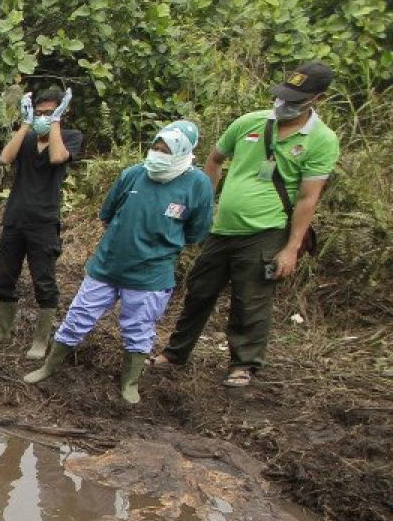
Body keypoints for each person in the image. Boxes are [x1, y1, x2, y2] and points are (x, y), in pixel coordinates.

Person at [151, 62, 340, 387]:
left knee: (250, 300)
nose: (285, 103)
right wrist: (204, 206)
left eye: (296, 99)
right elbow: (214, 159)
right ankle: (175, 353)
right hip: (223, 228)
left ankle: (243, 364)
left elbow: (309, 199)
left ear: (318, 99)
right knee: (199, 290)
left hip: (266, 232)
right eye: (284, 95)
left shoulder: (321, 140)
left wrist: (291, 248)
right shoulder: (249, 123)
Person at [23, 121, 214, 404]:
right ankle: (49, 366)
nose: (158, 153)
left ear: (184, 152)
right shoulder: (134, 175)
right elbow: (107, 214)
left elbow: (196, 232)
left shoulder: (197, 184)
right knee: (77, 317)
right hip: (108, 265)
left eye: (166, 150)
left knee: (138, 328)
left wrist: (156, 245)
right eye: (156, 147)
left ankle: (129, 382)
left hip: (151, 274)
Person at [0, 86, 83, 359]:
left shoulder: (70, 137)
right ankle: (3, 331)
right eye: (39, 113)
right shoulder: (25, 139)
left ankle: (40, 341)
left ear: (61, 113)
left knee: (44, 283)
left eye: (49, 113)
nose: (43, 117)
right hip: (15, 219)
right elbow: (4, 158)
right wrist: (26, 124)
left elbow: (57, 157)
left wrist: (55, 124)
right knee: (5, 278)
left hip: (44, 222)